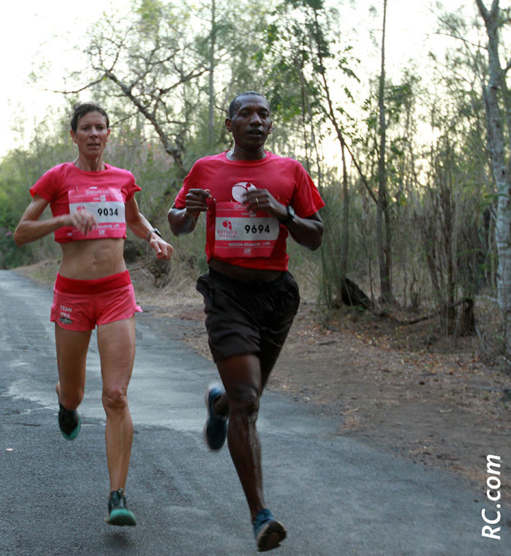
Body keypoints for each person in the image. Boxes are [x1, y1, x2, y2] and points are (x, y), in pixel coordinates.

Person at [167, 92, 324, 552]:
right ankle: (261, 515)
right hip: (227, 293)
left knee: (243, 399)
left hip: (275, 297)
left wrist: (281, 211)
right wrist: (189, 211)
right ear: (230, 124)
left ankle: (219, 404)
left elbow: (315, 236)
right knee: (249, 401)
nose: (256, 120)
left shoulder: (290, 171)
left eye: (264, 114)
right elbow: (178, 223)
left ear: (271, 126)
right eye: (246, 114)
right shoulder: (206, 169)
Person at [14, 102, 174, 527]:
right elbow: (21, 232)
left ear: (108, 134)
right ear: (74, 135)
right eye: (85, 128)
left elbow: (136, 220)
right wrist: (63, 218)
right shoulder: (57, 178)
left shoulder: (123, 180)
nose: (93, 134)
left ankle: (117, 495)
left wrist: (155, 238)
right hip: (73, 295)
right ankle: (65, 405)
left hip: (117, 293)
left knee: (116, 395)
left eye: (100, 127)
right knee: (76, 395)